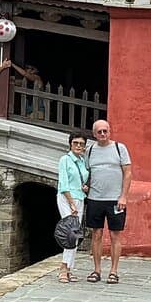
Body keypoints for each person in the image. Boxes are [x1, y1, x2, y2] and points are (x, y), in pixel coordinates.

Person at [84, 119, 132, 284]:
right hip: (95, 199)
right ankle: (96, 270)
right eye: (99, 132)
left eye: (105, 131)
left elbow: (128, 173)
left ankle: (114, 271)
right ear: (94, 134)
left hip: (115, 200)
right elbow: (88, 173)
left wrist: (124, 196)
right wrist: (86, 186)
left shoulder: (120, 148)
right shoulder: (90, 151)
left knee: (115, 235)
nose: (103, 134)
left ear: (110, 131)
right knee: (96, 234)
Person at [56, 132, 90, 282]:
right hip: (66, 198)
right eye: (75, 143)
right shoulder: (65, 159)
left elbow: (83, 180)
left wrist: (85, 188)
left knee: (75, 234)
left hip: (80, 198)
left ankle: (69, 268)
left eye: (81, 144)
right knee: (69, 233)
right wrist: (71, 203)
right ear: (70, 144)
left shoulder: (83, 161)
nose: (78, 146)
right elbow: (63, 184)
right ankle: (63, 268)